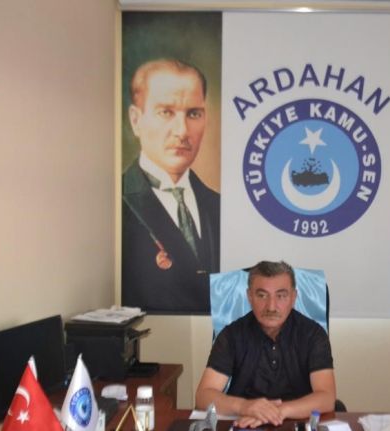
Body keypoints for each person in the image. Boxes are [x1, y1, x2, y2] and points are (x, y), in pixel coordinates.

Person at [122, 58, 220, 313]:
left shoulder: (220, 206)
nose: (182, 131)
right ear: (136, 120)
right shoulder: (113, 205)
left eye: (193, 114)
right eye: (166, 112)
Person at [195, 261, 337, 428]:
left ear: (293, 297)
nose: (271, 306)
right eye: (262, 295)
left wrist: (278, 412)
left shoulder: (313, 334)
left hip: (297, 421)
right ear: (249, 297)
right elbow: (203, 396)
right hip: (245, 422)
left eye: (281, 296)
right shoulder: (231, 335)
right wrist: (244, 406)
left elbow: (327, 397)